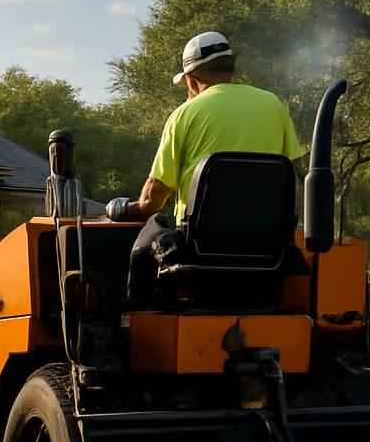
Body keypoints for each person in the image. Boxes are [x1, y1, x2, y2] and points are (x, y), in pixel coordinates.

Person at [105, 31, 303, 303]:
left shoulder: (185, 114)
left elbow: (154, 198)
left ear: (191, 78)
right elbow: (291, 176)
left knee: (142, 248)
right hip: (265, 249)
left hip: (200, 249)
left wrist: (129, 209)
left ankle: (135, 326)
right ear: (229, 67)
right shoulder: (274, 105)